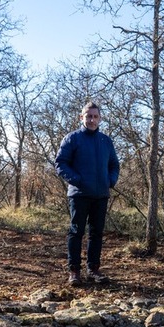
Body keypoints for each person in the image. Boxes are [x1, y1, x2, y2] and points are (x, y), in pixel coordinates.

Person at [54, 101, 120, 286]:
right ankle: (74, 271)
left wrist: (110, 181)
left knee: (96, 233)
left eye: (95, 116)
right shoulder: (72, 138)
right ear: (81, 117)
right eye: (88, 116)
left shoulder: (105, 141)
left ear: (100, 118)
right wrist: (78, 180)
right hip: (79, 194)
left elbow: (114, 165)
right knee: (76, 232)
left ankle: (94, 270)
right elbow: (60, 163)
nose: (92, 120)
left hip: (101, 195)